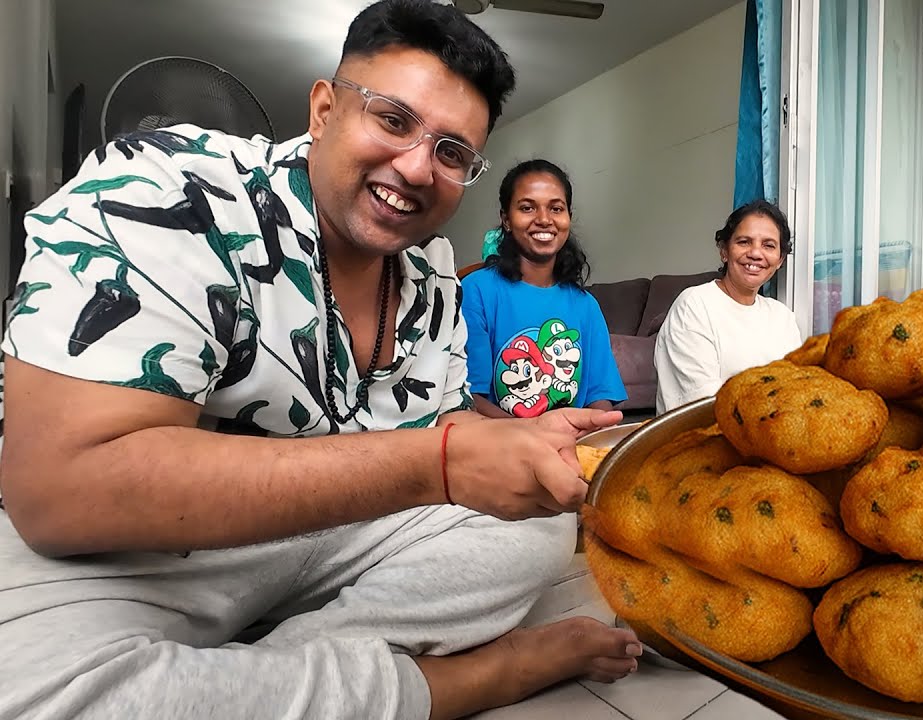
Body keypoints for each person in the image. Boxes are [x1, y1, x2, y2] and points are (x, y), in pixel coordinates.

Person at [0, 3, 642, 719]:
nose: (416, 168)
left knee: (536, 528)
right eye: (393, 120)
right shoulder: (166, 188)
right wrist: (441, 463)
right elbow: (58, 495)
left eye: (452, 153)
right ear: (323, 108)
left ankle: (251, 681)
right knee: (31, 689)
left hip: (351, 532)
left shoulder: (433, 272)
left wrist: (517, 452)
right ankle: (469, 679)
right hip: (149, 554)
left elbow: (454, 441)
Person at [461, 159, 626, 418]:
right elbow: (470, 398)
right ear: (506, 219)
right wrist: (536, 437)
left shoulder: (586, 305)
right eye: (527, 208)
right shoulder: (477, 290)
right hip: (498, 446)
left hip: (570, 444)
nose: (544, 220)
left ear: (568, 217)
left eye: (556, 209)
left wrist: (595, 428)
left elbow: (600, 397)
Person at [654, 199, 804, 413]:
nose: (755, 253)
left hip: (768, 437)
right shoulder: (694, 305)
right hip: (701, 440)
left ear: (779, 260)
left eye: (768, 245)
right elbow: (703, 404)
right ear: (724, 251)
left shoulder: (782, 317)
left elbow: (796, 391)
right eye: (744, 242)